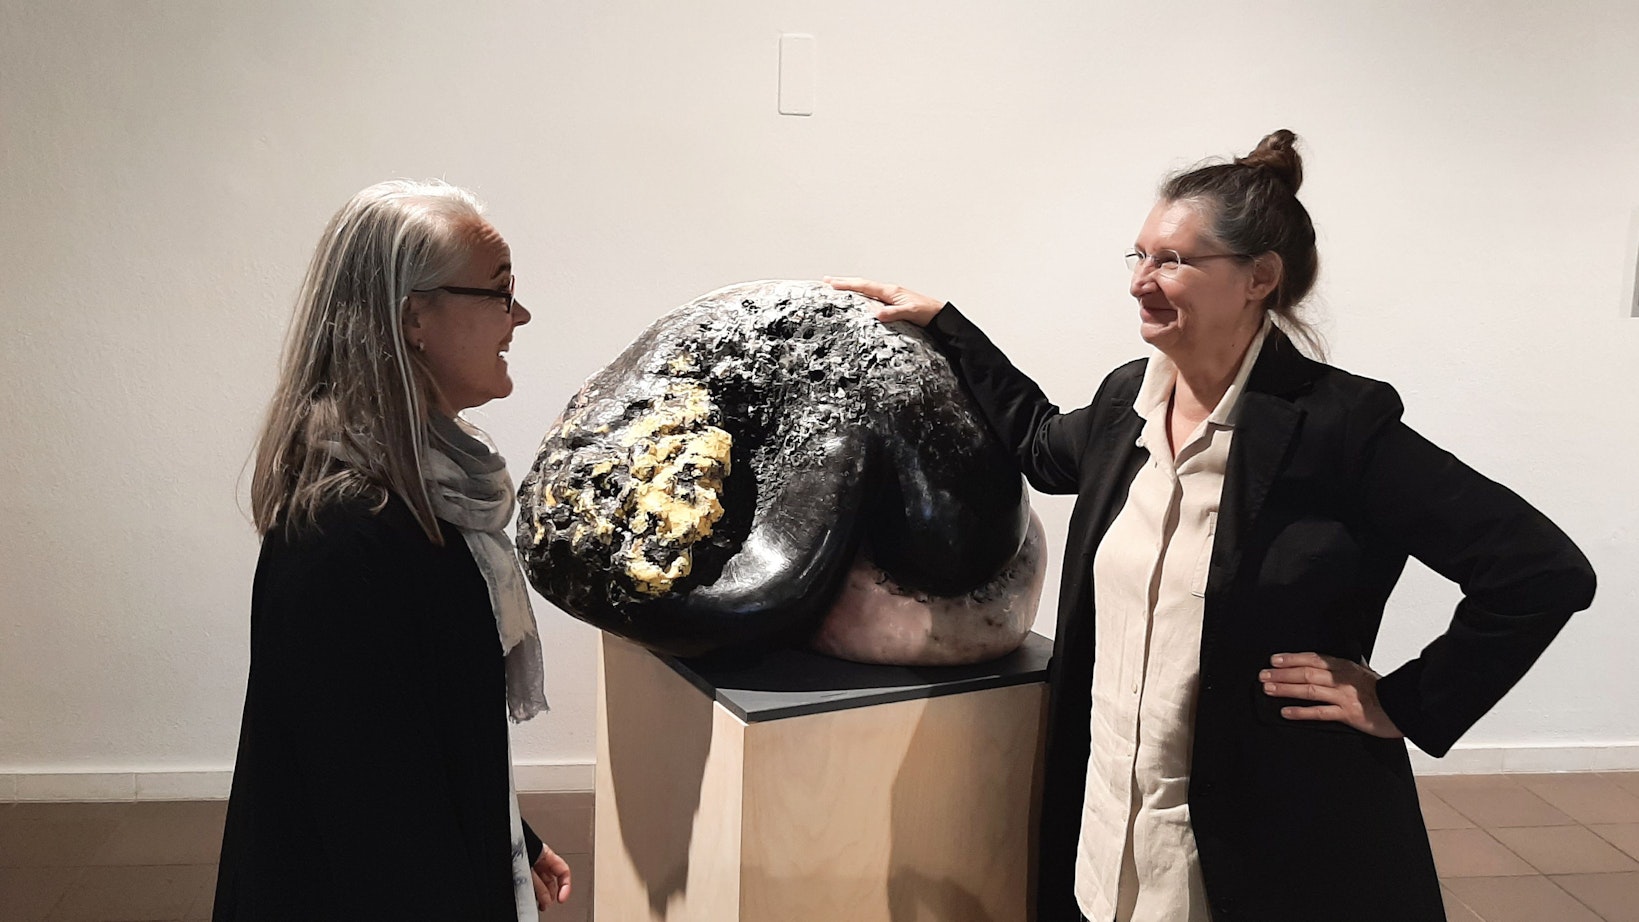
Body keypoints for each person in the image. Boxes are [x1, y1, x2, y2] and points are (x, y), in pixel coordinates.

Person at [828, 130, 1596, 922]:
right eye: (1137, 257)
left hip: (1257, 841)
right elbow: (1036, 443)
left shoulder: (1339, 427)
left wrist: (1406, 701)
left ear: (1258, 277)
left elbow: (1538, 572)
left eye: (1172, 261)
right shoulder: (1126, 405)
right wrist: (947, 327)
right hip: (1110, 826)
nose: (1141, 283)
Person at [215, 180, 572, 920]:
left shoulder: (421, 496)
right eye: (501, 294)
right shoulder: (346, 530)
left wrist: (511, 837)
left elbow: (415, 728)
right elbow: (369, 815)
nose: (521, 317)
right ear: (414, 317)